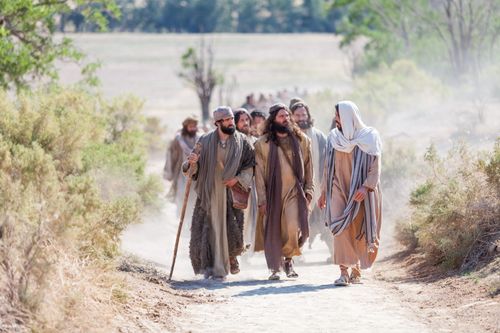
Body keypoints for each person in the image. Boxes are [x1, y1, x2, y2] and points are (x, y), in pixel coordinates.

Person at [183, 106, 255, 280]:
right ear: (217, 123)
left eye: (232, 119)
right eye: (227, 120)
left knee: (230, 229)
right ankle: (211, 267)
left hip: (231, 193)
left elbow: (250, 165)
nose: (231, 122)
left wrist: (237, 179)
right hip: (209, 193)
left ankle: (229, 260)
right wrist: (191, 163)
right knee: (209, 230)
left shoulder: (242, 141)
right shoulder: (204, 141)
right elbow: (191, 169)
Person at [318, 101, 382, 286]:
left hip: (361, 191)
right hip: (338, 188)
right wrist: (323, 192)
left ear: (347, 116)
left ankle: (356, 269)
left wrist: (366, 186)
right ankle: (343, 272)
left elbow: (375, 167)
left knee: (358, 228)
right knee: (340, 227)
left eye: (337, 115)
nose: (335, 119)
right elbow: (327, 167)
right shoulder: (334, 138)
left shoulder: (369, 137)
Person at [254, 103, 314, 280]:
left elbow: (309, 167)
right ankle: (275, 267)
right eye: (281, 116)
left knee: (292, 226)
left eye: (287, 116)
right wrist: (262, 199)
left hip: (294, 192)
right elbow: (258, 174)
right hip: (273, 195)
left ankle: (288, 260)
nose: (285, 119)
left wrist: (309, 190)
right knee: (273, 230)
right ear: (273, 119)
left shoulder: (302, 140)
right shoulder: (262, 144)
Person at [289, 101, 332, 260]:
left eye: (304, 115)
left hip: (319, 188)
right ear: (291, 117)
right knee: (297, 222)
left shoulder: (319, 136)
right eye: (298, 115)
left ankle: (336, 254)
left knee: (327, 222)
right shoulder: (288, 136)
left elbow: (328, 162)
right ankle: (294, 255)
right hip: (296, 189)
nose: (301, 118)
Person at [163, 116, 200, 219]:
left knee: (194, 200)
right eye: (190, 126)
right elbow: (171, 156)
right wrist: (169, 174)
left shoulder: (200, 139)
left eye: (194, 126)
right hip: (181, 175)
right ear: (185, 127)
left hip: (196, 176)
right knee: (182, 198)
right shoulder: (178, 140)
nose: (193, 128)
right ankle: (182, 223)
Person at [234, 108, 259, 252]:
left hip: (252, 186)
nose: (245, 123)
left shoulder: (255, 141)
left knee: (250, 219)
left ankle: (245, 251)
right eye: (241, 120)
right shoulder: (233, 141)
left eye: (247, 120)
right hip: (235, 186)